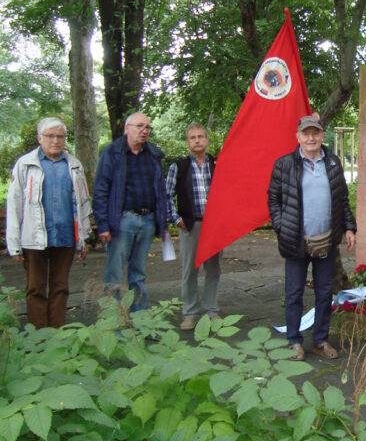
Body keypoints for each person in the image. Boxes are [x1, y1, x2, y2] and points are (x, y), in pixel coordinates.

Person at [267, 115, 356, 361]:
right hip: (296, 241)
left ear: (321, 134)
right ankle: (295, 341)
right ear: (298, 137)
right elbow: (273, 200)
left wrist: (349, 227)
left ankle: (320, 340)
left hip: (326, 240)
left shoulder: (333, 163)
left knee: (325, 292)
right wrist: (281, 226)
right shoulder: (284, 165)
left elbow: (342, 199)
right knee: (294, 293)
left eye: (315, 132)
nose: (311, 138)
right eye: (306, 133)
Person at [5, 117, 92, 328]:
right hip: (34, 239)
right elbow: (14, 204)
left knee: (60, 287)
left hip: (65, 237)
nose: (55, 140)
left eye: (60, 136)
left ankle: (56, 334)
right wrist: (14, 243)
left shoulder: (73, 165)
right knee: (35, 288)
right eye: (50, 136)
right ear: (39, 138)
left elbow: (83, 202)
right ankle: (38, 337)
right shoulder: (25, 164)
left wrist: (84, 238)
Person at [93, 112, 167, 312]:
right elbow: (100, 190)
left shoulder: (153, 154)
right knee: (115, 274)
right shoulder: (112, 153)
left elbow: (161, 191)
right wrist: (103, 224)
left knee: (138, 274)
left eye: (147, 127)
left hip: (148, 220)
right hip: (122, 220)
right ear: (127, 128)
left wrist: (163, 222)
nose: (144, 131)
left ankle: (141, 321)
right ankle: (112, 321)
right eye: (139, 126)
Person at [166, 123, 221, 330]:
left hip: (214, 226)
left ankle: (211, 311)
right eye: (192, 137)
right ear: (188, 142)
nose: (197, 140)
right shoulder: (178, 167)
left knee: (213, 269)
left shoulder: (217, 164)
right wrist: (176, 218)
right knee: (190, 270)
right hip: (190, 225)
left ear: (207, 140)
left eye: (200, 136)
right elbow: (167, 196)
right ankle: (189, 313)